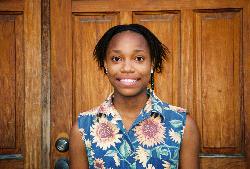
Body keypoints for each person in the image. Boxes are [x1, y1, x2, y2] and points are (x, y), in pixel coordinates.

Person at [69, 24, 200, 169]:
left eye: (138, 58)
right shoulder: (82, 129)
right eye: (116, 59)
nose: (127, 68)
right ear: (105, 64)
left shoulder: (183, 125)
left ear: (152, 64)